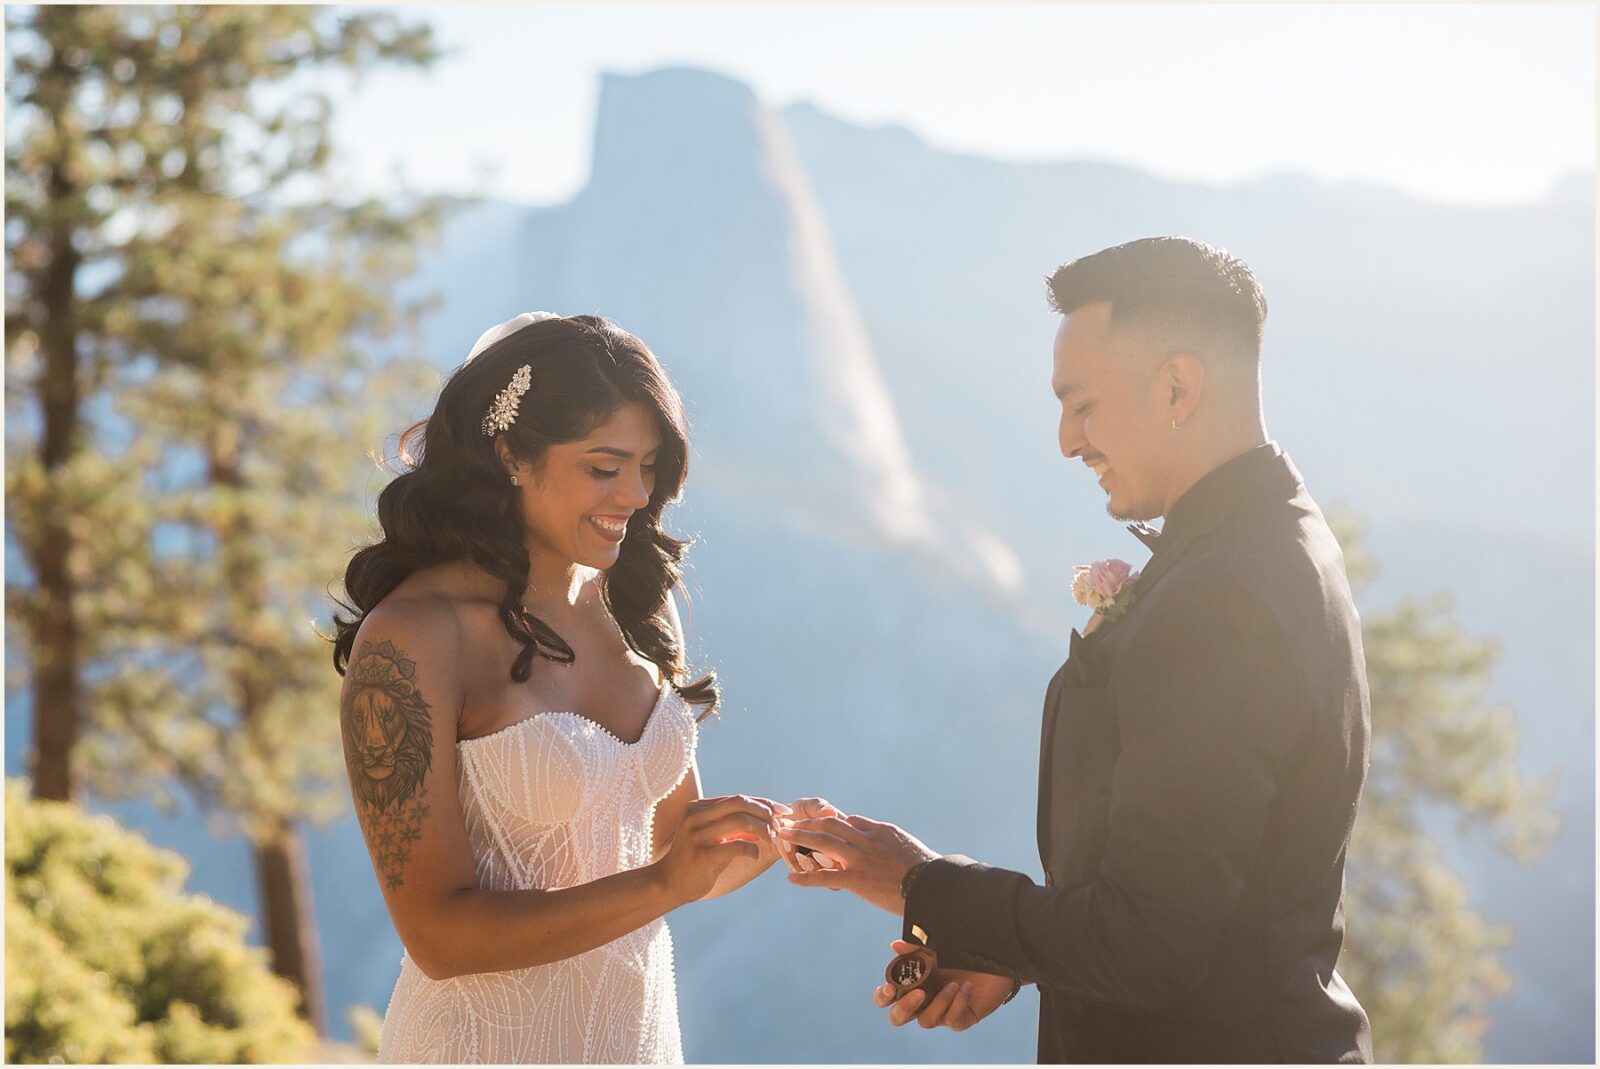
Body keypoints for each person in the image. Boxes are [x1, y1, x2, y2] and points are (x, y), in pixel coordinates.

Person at [781, 238, 1374, 1063]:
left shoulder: (1222, 598)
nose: (1067, 440)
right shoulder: (1270, 539)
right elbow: (1195, 901)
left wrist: (922, 884)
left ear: (1177, 386)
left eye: (1083, 404)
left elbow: (1153, 942)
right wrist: (1012, 953)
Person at [331, 313, 799, 1064]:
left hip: (636, 1042)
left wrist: (782, 837)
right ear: (512, 454)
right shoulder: (414, 639)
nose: (635, 495)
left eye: (649, 466)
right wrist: (663, 884)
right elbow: (438, 937)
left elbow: (668, 849)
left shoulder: (640, 609)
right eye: (605, 467)